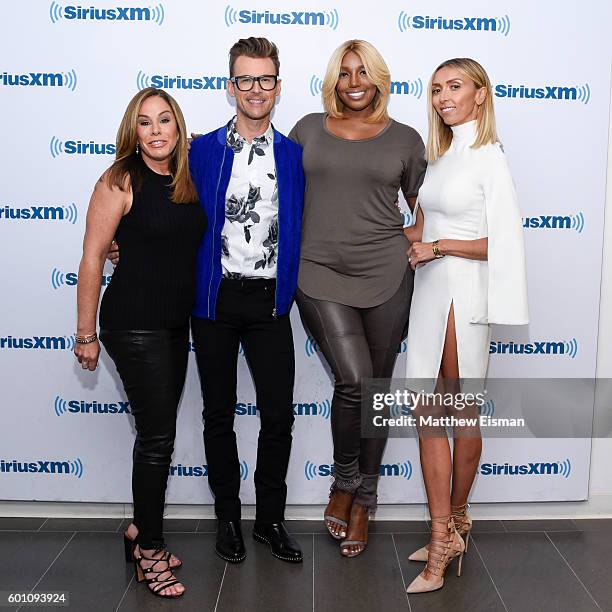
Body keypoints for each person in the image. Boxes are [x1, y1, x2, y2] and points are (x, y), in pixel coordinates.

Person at [289, 40, 427, 557]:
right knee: (352, 380)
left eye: (363, 72)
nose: (353, 82)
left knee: (376, 387)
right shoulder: (306, 129)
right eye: (344, 73)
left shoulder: (407, 139)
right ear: (334, 80)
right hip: (318, 270)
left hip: (387, 273)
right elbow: (266, 187)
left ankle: (366, 499)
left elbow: (423, 207)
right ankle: (343, 482)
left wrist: (417, 241)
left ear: (379, 79)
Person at [403, 58, 529, 593]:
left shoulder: (489, 156)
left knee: (455, 409)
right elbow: (421, 224)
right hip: (431, 290)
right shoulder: (443, 154)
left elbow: (503, 243)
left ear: (480, 94)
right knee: (426, 408)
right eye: (435, 89)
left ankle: (447, 529)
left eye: (454, 87)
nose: (442, 97)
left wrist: (439, 246)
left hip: (464, 292)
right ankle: (448, 526)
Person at [74, 87, 206, 598]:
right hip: (132, 325)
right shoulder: (119, 180)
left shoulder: (185, 180)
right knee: (157, 439)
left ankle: (138, 529)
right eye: (145, 122)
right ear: (133, 131)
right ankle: (150, 549)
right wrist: (85, 333)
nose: (155, 131)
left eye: (165, 121)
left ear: (179, 128)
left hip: (175, 325)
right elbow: (91, 257)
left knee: (156, 434)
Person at [188, 37, 304, 563]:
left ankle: (270, 520)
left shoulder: (295, 156)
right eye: (245, 79)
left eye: (265, 79)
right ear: (229, 85)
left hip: (269, 303)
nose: (255, 89)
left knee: (278, 415)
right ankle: (228, 519)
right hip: (214, 301)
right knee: (218, 415)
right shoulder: (201, 150)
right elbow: (167, 210)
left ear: (277, 87)